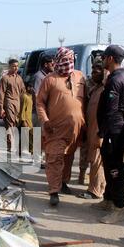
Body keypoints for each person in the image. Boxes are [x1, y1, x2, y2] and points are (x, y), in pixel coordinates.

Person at [36, 47, 86, 206]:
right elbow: (40, 103)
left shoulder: (80, 76)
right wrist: (45, 120)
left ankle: (63, 182)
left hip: (76, 129)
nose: (68, 63)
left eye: (70, 60)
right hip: (55, 128)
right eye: (65, 59)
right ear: (58, 60)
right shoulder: (50, 79)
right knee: (54, 158)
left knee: (68, 157)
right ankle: (54, 190)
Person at [93, 45, 124, 224]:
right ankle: (108, 199)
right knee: (109, 166)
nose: (102, 60)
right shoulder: (117, 77)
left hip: (112, 131)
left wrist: (102, 133)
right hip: (112, 129)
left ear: (110, 58)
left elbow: (111, 110)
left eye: (104, 57)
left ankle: (119, 207)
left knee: (115, 169)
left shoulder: (116, 80)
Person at [78, 59, 106, 200]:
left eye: (99, 68)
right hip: (90, 128)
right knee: (91, 157)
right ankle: (95, 186)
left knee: (96, 158)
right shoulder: (94, 87)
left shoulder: (107, 87)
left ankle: (95, 190)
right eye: (93, 68)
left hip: (99, 130)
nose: (95, 71)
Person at [0, 59, 26, 151]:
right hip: (9, 102)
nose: (16, 68)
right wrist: (1, 107)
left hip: (18, 103)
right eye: (14, 66)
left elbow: (23, 92)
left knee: (15, 123)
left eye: (17, 66)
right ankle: (11, 145)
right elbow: (2, 93)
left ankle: (12, 143)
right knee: (10, 123)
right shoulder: (5, 78)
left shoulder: (19, 78)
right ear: (9, 66)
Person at [20, 82, 34, 154]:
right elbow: (22, 109)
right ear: (27, 87)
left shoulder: (30, 96)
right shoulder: (24, 97)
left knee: (26, 136)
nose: (32, 89)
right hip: (26, 120)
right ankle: (32, 151)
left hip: (29, 119)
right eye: (31, 87)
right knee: (30, 135)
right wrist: (23, 121)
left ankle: (21, 150)